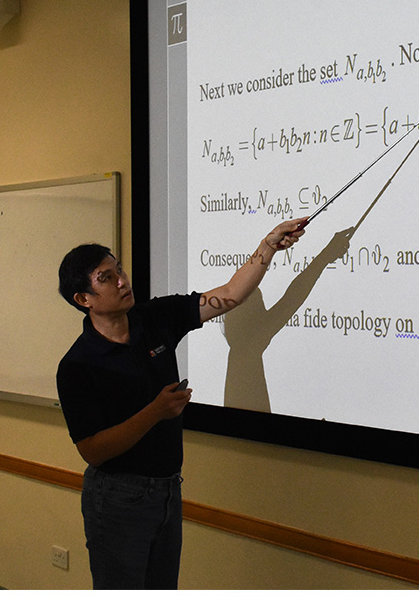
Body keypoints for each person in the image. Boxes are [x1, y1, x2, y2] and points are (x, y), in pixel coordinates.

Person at [55, 217, 307, 589]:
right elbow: (93, 449)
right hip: (117, 498)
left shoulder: (155, 318)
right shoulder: (77, 365)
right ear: (84, 299)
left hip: (168, 490)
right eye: (106, 278)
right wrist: (155, 413)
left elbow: (231, 294)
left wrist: (268, 245)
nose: (122, 280)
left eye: (119, 269)